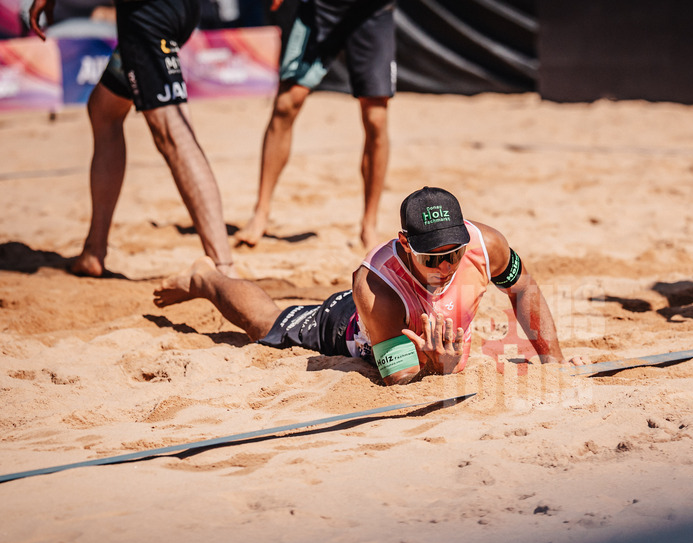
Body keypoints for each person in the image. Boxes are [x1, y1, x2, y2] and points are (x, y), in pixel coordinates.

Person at [154, 187, 589, 384]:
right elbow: (399, 377)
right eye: (431, 257)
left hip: (427, 332)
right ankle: (206, 277)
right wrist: (438, 367)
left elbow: (523, 288)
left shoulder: (486, 244)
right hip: (351, 326)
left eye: (453, 254)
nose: (445, 265)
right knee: (267, 324)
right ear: (405, 243)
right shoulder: (374, 285)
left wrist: (552, 360)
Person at [28, 0, 237, 278]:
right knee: (104, 110)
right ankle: (94, 250)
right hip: (178, 10)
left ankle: (224, 268)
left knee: (173, 135)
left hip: (148, 14)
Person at [235, 0, 396, 250]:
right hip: (322, 7)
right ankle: (260, 213)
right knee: (287, 103)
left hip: (373, 10)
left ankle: (369, 225)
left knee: (376, 117)